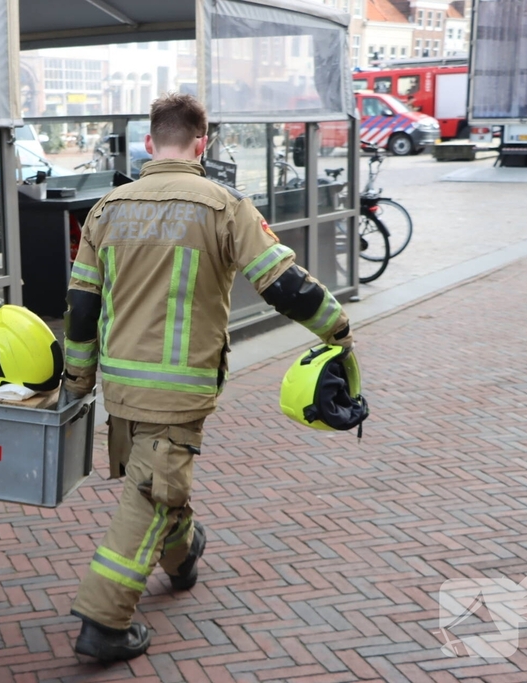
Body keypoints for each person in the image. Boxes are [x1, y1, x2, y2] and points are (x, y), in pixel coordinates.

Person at [62, 93, 354, 661]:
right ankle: (105, 620)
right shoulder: (224, 207)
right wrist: (337, 327)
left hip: (120, 385)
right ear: (204, 144)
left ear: (148, 143)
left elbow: (80, 306)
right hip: (180, 388)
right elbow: (283, 284)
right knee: (152, 492)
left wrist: (77, 382)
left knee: (157, 476)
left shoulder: (105, 210)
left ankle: (184, 550)